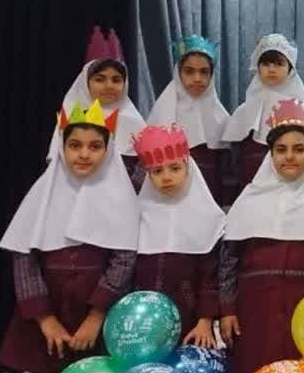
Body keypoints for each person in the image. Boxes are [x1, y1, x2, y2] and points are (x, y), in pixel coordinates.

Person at [0, 100, 137, 373]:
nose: (84, 154)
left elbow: (125, 258)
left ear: (108, 150)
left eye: (95, 146)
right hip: (51, 311)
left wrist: (96, 317)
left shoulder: (120, 197)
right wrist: (45, 319)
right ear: (62, 147)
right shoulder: (41, 195)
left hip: (97, 313)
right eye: (75, 145)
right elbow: (24, 257)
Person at [218, 99, 304, 373]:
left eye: (299, 149)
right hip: (255, 307)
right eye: (281, 149)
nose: (290, 157)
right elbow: (228, 259)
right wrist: (227, 309)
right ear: (270, 154)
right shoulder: (250, 198)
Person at [131, 124, 226, 350]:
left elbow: (210, 276)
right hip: (142, 324)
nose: (166, 177)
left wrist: (205, 320)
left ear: (188, 168)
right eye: (157, 171)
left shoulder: (207, 217)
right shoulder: (135, 216)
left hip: (191, 322)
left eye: (175, 168)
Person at [48, 26, 148, 187]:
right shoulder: (73, 118)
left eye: (116, 80)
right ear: (85, 83)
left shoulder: (136, 123)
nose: (109, 86)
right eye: (100, 79)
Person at [219, 34, 304, 203]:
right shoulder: (246, 108)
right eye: (266, 63)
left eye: (278, 63)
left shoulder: (299, 105)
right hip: (250, 178)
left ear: (290, 68)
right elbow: (236, 148)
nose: (271, 69)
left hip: (287, 179)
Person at [147, 34, 230, 198]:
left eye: (204, 72)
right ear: (178, 72)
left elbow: (227, 171)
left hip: (211, 197)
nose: (197, 79)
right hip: (171, 197)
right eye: (189, 71)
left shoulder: (222, 118)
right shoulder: (162, 113)